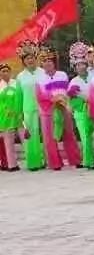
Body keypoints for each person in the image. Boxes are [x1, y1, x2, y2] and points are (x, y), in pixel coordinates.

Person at [37, 47, 83, 170]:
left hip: (63, 107)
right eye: (44, 61)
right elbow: (40, 96)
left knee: (69, 133)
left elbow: (66, 90)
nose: (47, 64)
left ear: (54, 63)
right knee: (50, 137)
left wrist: (65, 100)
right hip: (48, 110)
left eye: (49, 61)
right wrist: (53, 99)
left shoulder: (62, 75)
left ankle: (76, 160)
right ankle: (55, 163)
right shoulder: (40, 78)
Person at [15, 41, 45, 171]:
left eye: (32, 57)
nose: (30, 60)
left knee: (45, 135)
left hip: (44, 108)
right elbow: (18, 96)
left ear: (35, 58)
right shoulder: (20, 77)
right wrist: (19, 112)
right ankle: (33, 162)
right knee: (31, 137)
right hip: (28, 110)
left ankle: (47, 160)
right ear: (23, 61)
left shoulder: (43, 72)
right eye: (27, 58)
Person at [67, 42, 94, 170]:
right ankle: (88, 161)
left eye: (83, 64)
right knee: (84, 136)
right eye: (78, 65)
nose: (81, 67)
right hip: (81, 112)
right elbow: (70, 101)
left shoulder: (93, 76)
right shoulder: (73, 81)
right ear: (75, 67)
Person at [0, 62, 21, 170]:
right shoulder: (0, 86)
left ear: (10, 72)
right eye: (3, 71)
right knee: (8, 142)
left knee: (25, 138)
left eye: (7, 71)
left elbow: (20, 98)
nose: (5, 73)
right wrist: (6, 110)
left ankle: (34, 161)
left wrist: (18, 111)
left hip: (19, 115)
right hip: (6, 117)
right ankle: (12, 165)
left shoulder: (16, 83)